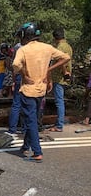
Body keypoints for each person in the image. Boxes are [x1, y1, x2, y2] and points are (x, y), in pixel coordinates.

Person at [12, 22, 70, 162]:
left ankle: (37, 152)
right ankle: (25, 146)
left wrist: (24, 74)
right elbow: (66, 57)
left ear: (26, 36)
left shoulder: (23, 50)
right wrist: (48, 70)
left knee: (31, 120)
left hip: (28, 90)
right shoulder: (47, 47)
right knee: (32, 118)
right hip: (41, 90)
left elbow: (15, 65)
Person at [49, 27, 73, 132]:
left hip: (59, 77)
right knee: (60, 101)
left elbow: (61, 60)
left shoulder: (59, 47)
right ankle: (59, 123)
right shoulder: (68, 46)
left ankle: (59, 125)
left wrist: (64, 72)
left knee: (59, 101)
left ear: (55, 38)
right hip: (64, 77)